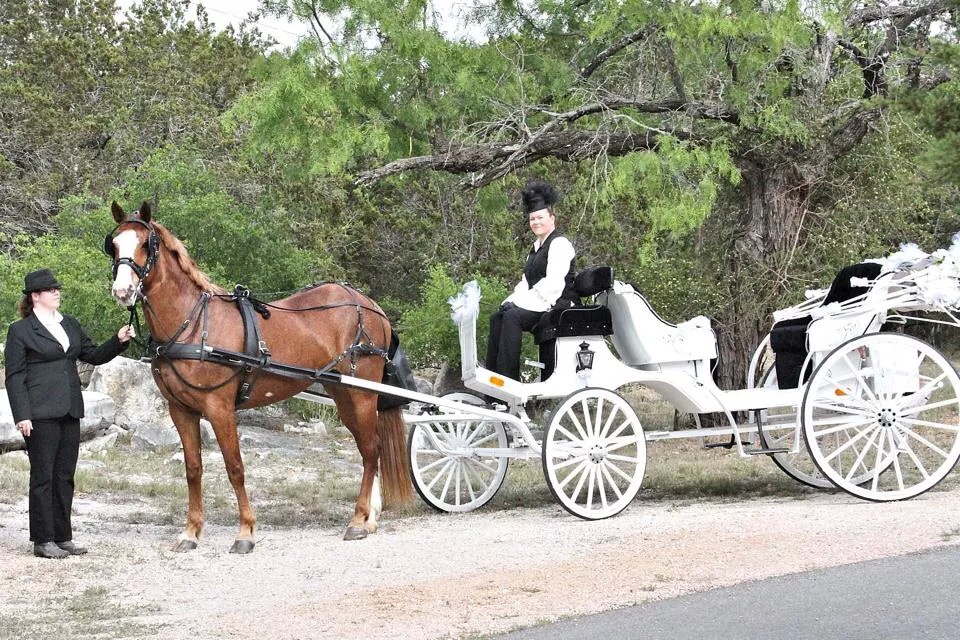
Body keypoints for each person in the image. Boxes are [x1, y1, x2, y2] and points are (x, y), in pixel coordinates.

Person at [4, 268, 135, 559]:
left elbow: (93, 355)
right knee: (43, 477)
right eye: (51, 290)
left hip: (70, 409)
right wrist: (22, 415)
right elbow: (14, 377)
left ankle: (63, 537)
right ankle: (43, 540)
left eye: (57, 289)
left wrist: (118, 340)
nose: (57, 293)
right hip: (39, 413)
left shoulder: (70, 324)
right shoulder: (20, 331)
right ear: (35, 296)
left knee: (65, 476)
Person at [485, 180, 578, 382]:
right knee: (498, 317)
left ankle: (508, 381)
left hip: (557, 305)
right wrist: (509, 301)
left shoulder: (560, 244)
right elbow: (525, 284)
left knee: (512, 317)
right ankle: (493, 382)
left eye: (540, 217)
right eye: (532, 219)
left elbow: (553, 285)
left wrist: (518, 305)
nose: (535, 222)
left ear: (552, 218)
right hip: (539, 303)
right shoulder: (535, 249)